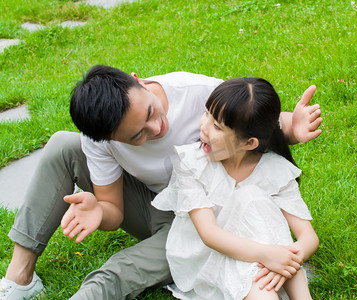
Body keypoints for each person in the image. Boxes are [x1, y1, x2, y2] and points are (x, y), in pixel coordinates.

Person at [0, 65, 322, 300]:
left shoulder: (196, 94)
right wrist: (100, 210)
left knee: (119, 269)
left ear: (138, 81)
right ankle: (20, 277)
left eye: (150, 112)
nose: (156, 128)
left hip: (201, 222)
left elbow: (248, 116)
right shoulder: (99, 140)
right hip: (160, 205)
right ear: (112, 139)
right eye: (137, 135)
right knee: (61, 145)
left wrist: (293, 128)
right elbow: (114, 209)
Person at [152, 77, 319, 300]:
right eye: (206, 114)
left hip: (263, 256)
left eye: (217, 126)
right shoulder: (191, 163)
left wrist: (281, 260)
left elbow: (308, 237)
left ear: (249, 143)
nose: (203, 126)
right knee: (260, 285)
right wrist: (267, 254)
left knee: (253, 198)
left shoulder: (273, 169)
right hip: (207, 256)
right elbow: (209, 235)